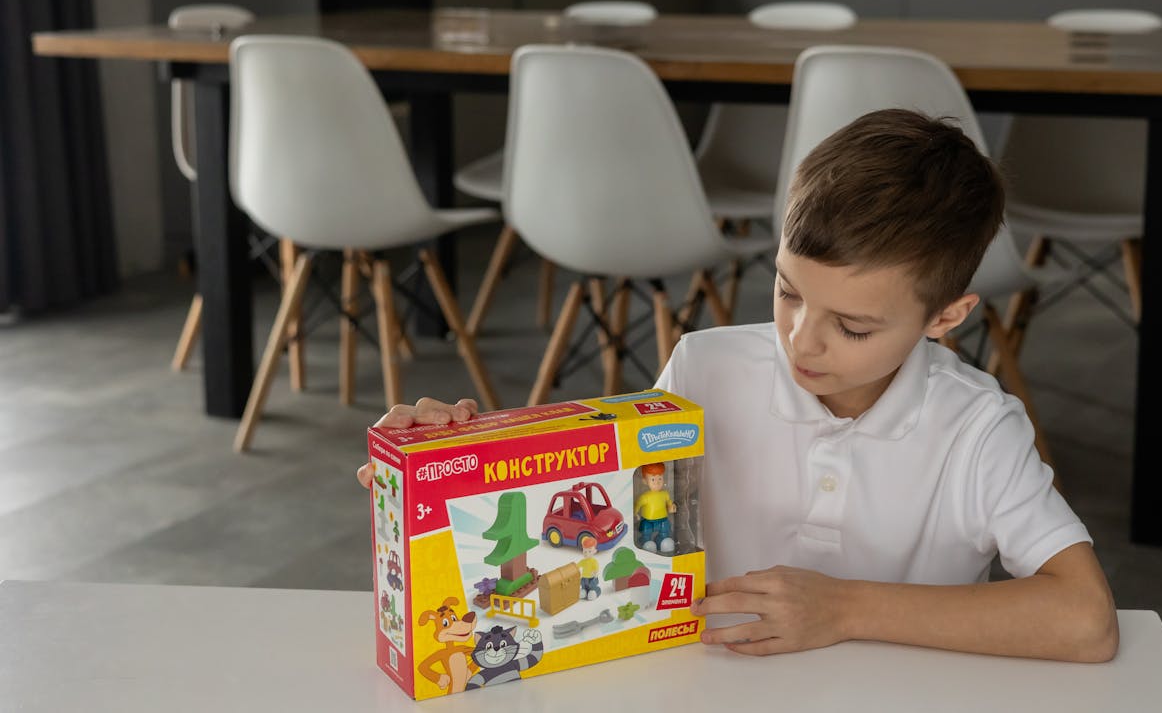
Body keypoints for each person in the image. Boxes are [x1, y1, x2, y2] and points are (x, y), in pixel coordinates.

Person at [359, 108, 1119, 663]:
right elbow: (599, 539)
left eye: (853, 327)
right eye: (787, 291)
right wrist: (447, 470)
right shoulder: (703, 368)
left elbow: (1086, 618)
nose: (801, 340)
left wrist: (845, 607)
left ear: (945, 317)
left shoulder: (979, 428)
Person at [634, 462, 677, 554]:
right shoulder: (645, 496)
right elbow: (637, 505)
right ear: (645, 481)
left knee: (665, 531)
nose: (657, 482)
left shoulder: (664, 494)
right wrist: (635, 513)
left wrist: (671, 507)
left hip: (663, 520)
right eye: (653, 479)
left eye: (660, 478)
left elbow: (669, 502)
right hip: (648, 521)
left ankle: (662, 540)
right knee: (646, 533)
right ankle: (645, 542)